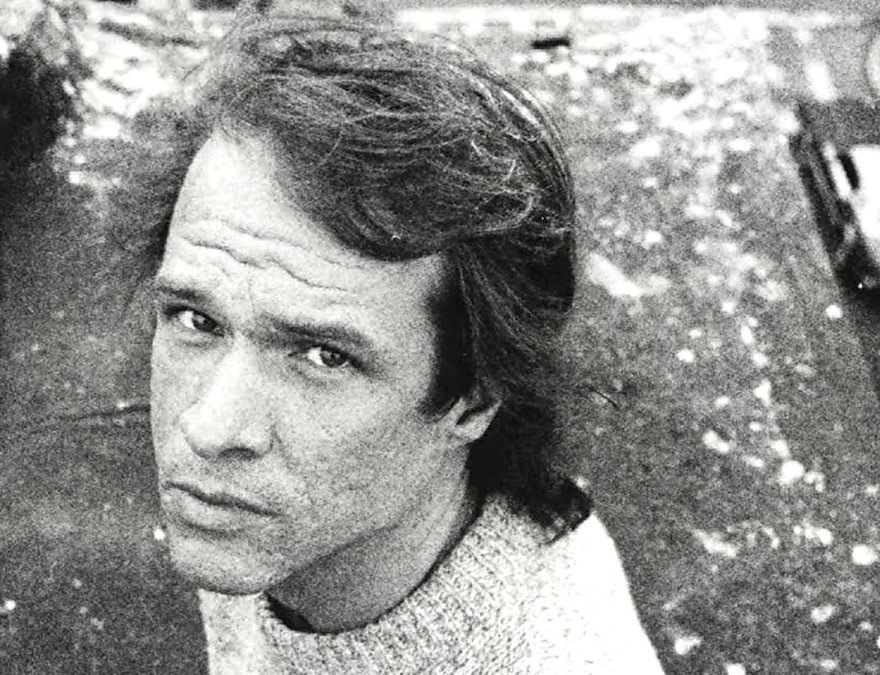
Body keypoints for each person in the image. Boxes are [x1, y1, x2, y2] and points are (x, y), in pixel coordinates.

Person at [121, 10, 664, 674]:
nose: (208, 428)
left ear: (472, 399)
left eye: (324, 356)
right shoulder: (275, 519)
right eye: (196, 320)